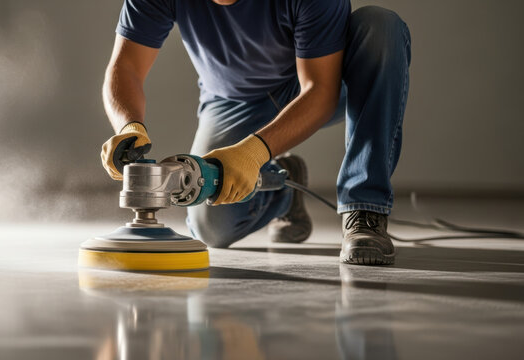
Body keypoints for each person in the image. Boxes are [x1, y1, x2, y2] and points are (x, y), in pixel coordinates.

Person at [100, 0, 411, 266]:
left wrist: (252, 152)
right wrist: (128, 126)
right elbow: (125, 65)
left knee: (380, 28)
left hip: (323, 80)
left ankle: (364, 209)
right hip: (232, 101)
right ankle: (283, 184)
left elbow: (320, 92)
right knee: (212, 228)